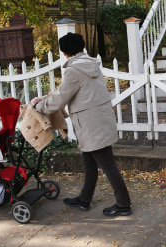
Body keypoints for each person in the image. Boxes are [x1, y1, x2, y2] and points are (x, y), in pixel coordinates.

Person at [30, 33, 132, 217]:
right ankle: (85, 198)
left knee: (107, 164)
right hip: (98, 120)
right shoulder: (90, 65)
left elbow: (60, 100)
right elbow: (66, 93)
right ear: (83, 48)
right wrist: (44, 99)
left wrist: (38, 106)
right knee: (90, 162)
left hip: (90, 124)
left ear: (64, 53)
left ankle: (123, 204)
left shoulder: (74, 70)